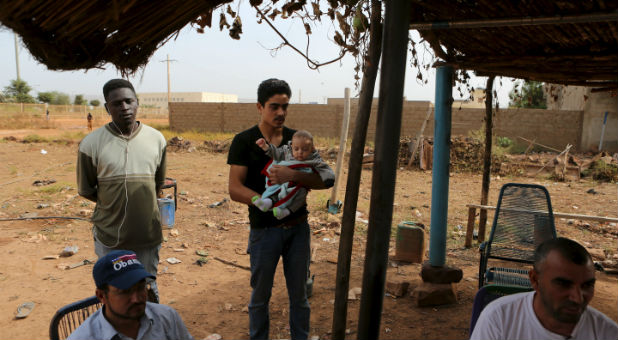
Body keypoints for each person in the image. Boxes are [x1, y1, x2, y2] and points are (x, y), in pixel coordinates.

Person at [227, 78, 334, 340]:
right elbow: (234, 188)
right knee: (260, 297)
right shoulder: (244, 141)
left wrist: (291, 176)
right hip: (264, 232)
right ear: (259, 107)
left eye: (285, 106)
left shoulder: (299, 140)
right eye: (274, 107)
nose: (281, 113)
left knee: (299, 296)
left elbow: (324, 180)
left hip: (298, 229)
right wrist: (262, 203)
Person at [77, 79, 167, 303]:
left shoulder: (157, 139)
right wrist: (112, 203)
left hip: (147, 235)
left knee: (147, 288)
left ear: (138, 103)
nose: (124, 107)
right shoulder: (91, 143)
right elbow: (86, 189)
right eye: (117, 103)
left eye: (129, 101)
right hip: (110, 236)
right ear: (107, 108)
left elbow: (157, 185)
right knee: (115, 291)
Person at [470, 237, 618, 340]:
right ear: (535, 280)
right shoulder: (499, 319)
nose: (577, 298)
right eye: (563, 284)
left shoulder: (607, 333)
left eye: (587, 285)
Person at [67, 250, 194, 340]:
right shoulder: (84, 337)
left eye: (141, 288)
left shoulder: (167, 318)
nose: (136, 298)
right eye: (125, 291)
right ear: (101, 296)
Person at [253, 129, 333, 220]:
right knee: (276, 190)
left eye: (305, 149)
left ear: (312, 149)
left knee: (301, 194)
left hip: (298, 184)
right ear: (291, 146)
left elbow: (325, 170)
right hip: (281, 181)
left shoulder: (314, 158)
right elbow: (276, 153)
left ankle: (286, 211)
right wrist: (266, 147)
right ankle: (266, 202)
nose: (300, 152)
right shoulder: (287, 152)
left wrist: (328, 178)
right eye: (296, 149)